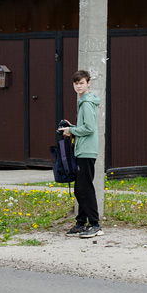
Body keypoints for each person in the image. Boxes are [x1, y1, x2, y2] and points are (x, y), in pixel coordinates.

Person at [58, 69, 102, 238]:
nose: (78, 86)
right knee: (79, 188)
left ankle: (95, 224)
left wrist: (72, 130)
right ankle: (80, 223)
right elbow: (85, 126)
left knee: (85, 188)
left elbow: (89, 128)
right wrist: (72, 127)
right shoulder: (84, 102)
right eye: (76, 83)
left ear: (88, 83)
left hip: (86, 151)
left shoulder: (87, 102)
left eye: (81, 83)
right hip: (83, 150)